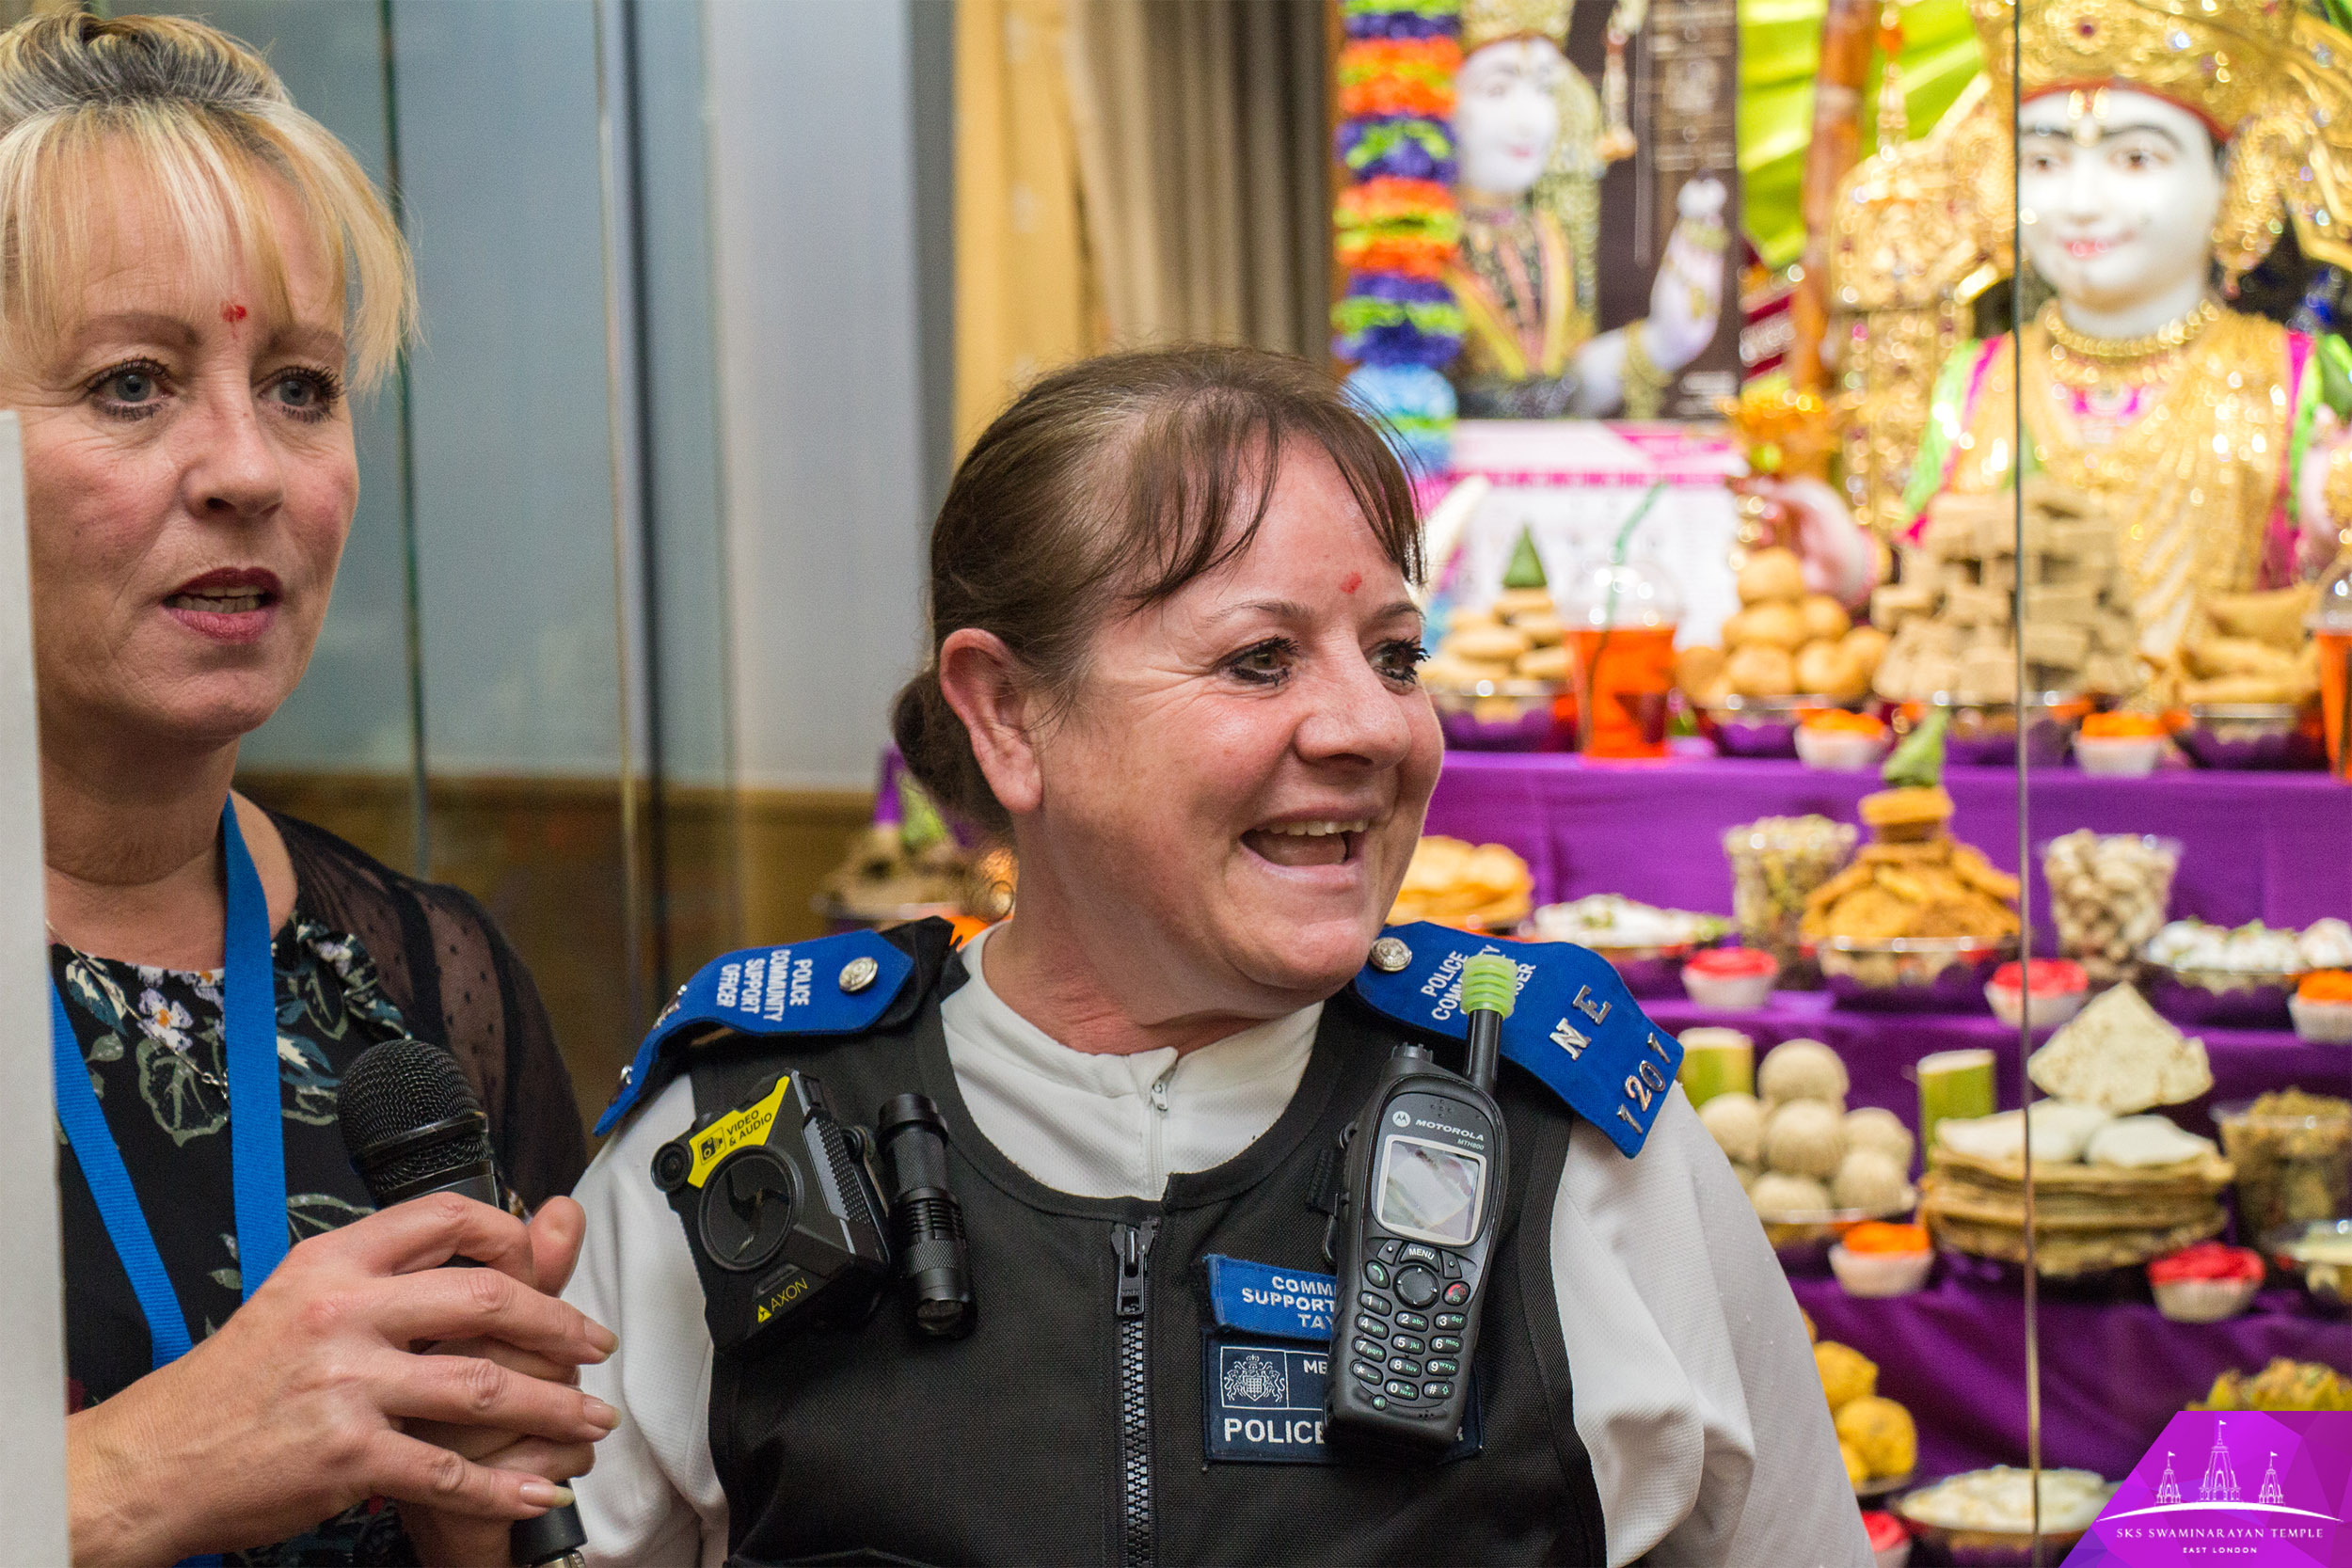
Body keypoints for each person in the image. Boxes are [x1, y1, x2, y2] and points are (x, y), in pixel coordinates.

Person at [565, 346, 1869, 1565]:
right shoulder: (732, 1148)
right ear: (1011, 714)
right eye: (1259, 661)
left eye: (1397, 656)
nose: (1375, 727)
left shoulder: (1572, 1143)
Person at [15, 14, 614, 1564]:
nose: (248, 471)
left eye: (300, 386)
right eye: (134, 382)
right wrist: (127, 1477)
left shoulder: (429, 981)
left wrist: (476, 1497)